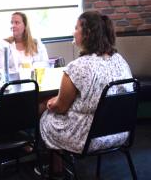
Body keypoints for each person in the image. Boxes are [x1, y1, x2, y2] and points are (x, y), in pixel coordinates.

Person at [39, 11, 133, 175]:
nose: (73, 32)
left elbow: (60, 107)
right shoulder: (120, 60)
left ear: (87, 33)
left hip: (88, 138)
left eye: (76, 28)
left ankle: (56, 169)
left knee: (46, 115)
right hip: (120, 133)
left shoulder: (77, 67)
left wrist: (49, 103)